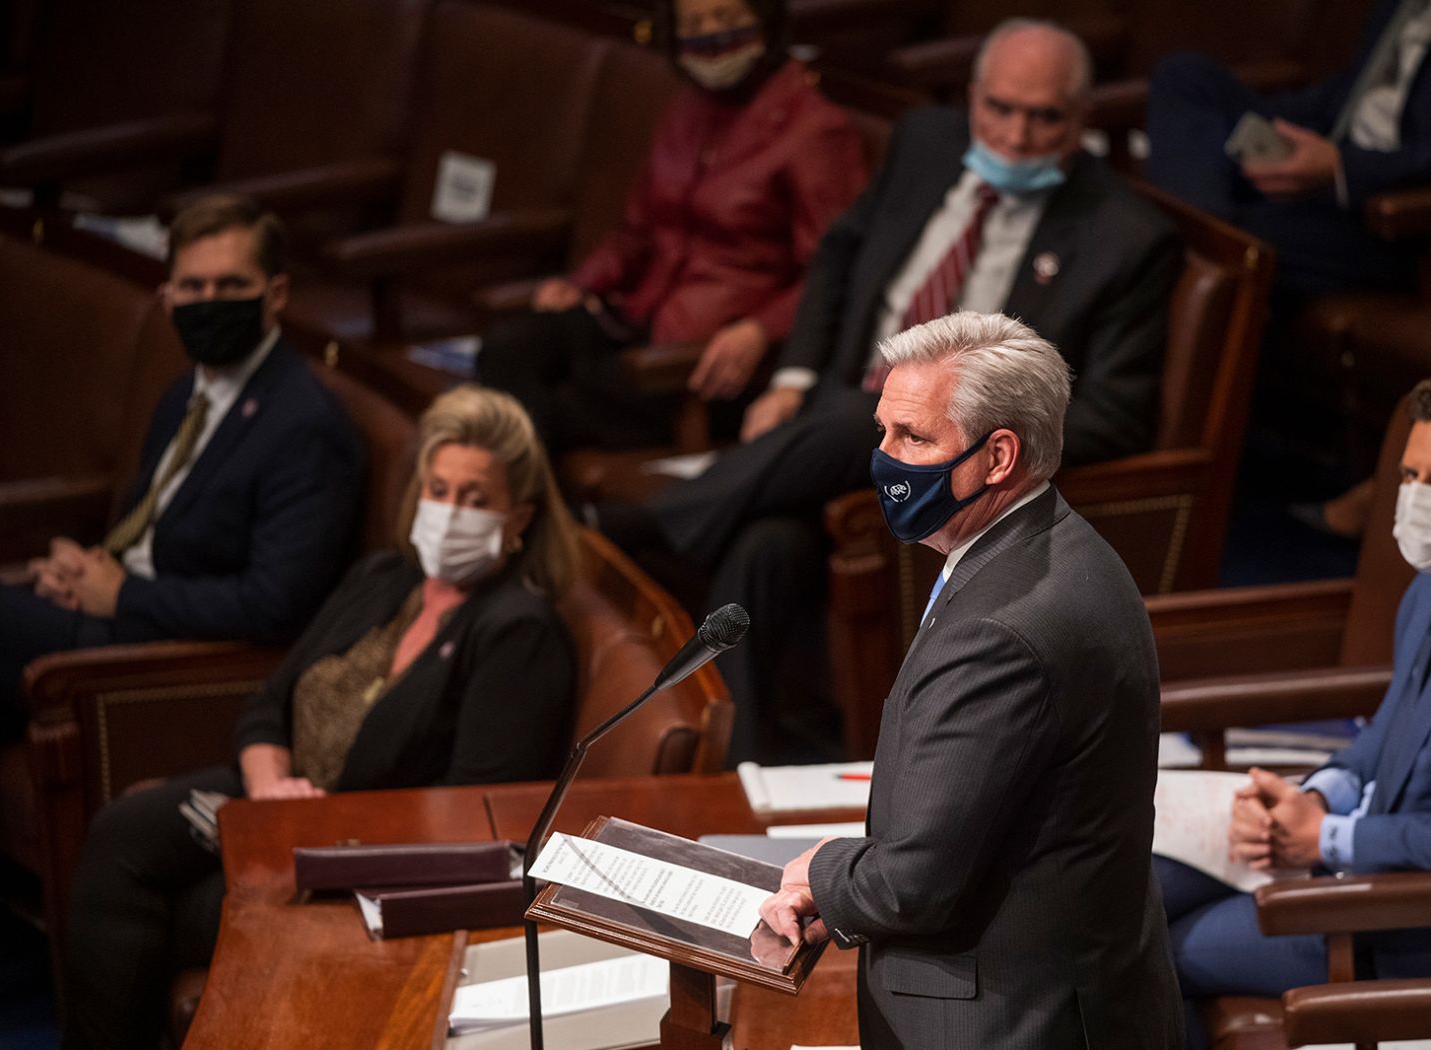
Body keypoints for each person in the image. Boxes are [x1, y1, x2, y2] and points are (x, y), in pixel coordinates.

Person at [606, 17, 1180, 763]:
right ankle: (742, 764)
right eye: (999, 108)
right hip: (835, 419)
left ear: (1083, 121)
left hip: (945, 462)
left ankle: (642, 531)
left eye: (1044, 118)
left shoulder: (1125, 238)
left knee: (876, 416)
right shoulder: (927, 143)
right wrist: (793, 375)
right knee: (767, 544)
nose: (1015, 134)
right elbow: (839, 253)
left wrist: (963, 429)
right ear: (972, 99)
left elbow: (1116, 416)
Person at [62, 385, 579, 1050]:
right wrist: (271, 787)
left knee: (159, 903)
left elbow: (472, 814)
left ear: (520, 519)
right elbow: (270, 704)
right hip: (277, 803)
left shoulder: (520, 633)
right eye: (439, 489)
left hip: (355, 854)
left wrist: (310, 824)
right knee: (117, 833)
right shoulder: (384, 576)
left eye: (475, 499)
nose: (450, 512)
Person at [756, 312, 1183, 1048]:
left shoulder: (1001, 627)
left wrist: (823, 872)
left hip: (1009, 1020)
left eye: (914, 439)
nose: (884, 459)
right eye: (884, 431)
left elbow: (911, 886)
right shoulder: (1065, 546)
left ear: (999, 455)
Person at [1157, 376, 1431, 1050]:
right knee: (1140, 888)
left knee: (1153, 955)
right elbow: (1388, 736)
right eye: (1411, 475)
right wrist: (1314, 795)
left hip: (1426, 931)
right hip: (1367, 865)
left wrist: (1325, 840)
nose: (1417, 498)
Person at [0, 194, 362, 739]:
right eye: (193, 287)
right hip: (119, 613)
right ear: (167, 297)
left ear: (276, 294)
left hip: (162, 653)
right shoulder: (185, 394)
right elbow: (150, 525)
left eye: (231, 286)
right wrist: (84, 570)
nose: (209, 302)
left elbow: (275, 605)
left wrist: (122, 594)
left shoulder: (305, 426)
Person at [474, 0, 867, 453]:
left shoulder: (816, 129)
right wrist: (581, 283)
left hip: (702, 361)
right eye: (693, 24)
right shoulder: (687, 108)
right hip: (637, 319)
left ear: (764, 22)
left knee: (530, 416)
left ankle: (525, 514)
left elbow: (832, 273)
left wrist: (760, 329)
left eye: (725, 18)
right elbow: (636, 231)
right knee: (508, 348)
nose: (709, 36)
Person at [1144, 0, 1431, 297]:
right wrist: (1280, 129)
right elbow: (1356, 95)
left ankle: (1194, 239)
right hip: (1332, 167)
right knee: (1185, 77)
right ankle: (1205, 231)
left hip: (1405, 221)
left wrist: (1343, 169)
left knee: (1241, 241)